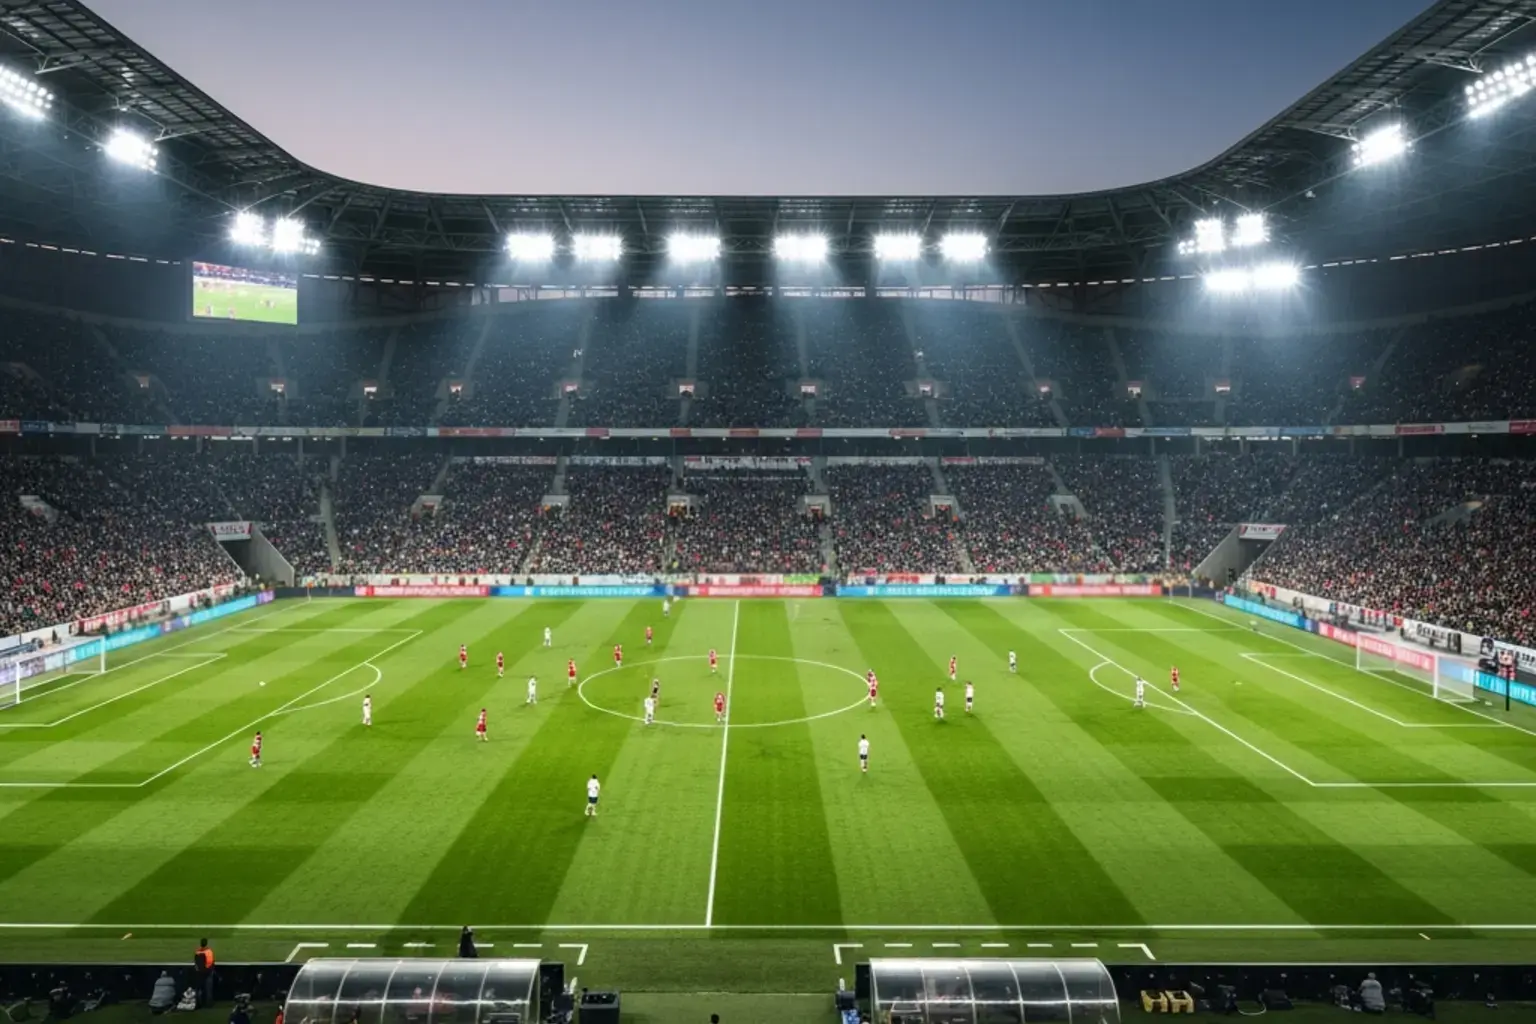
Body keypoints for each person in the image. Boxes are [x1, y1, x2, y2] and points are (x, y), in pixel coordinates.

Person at [194, 937, 216, 1007]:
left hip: (199, 972)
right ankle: (208, 1003)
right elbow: (210, 962)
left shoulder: (197, 951)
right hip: (207, 972)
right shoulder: (209, 951)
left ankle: (198, 1003)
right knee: (208, 988)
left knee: (199, 988)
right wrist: (210, 970)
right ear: (206, 943)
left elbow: (196, 962)